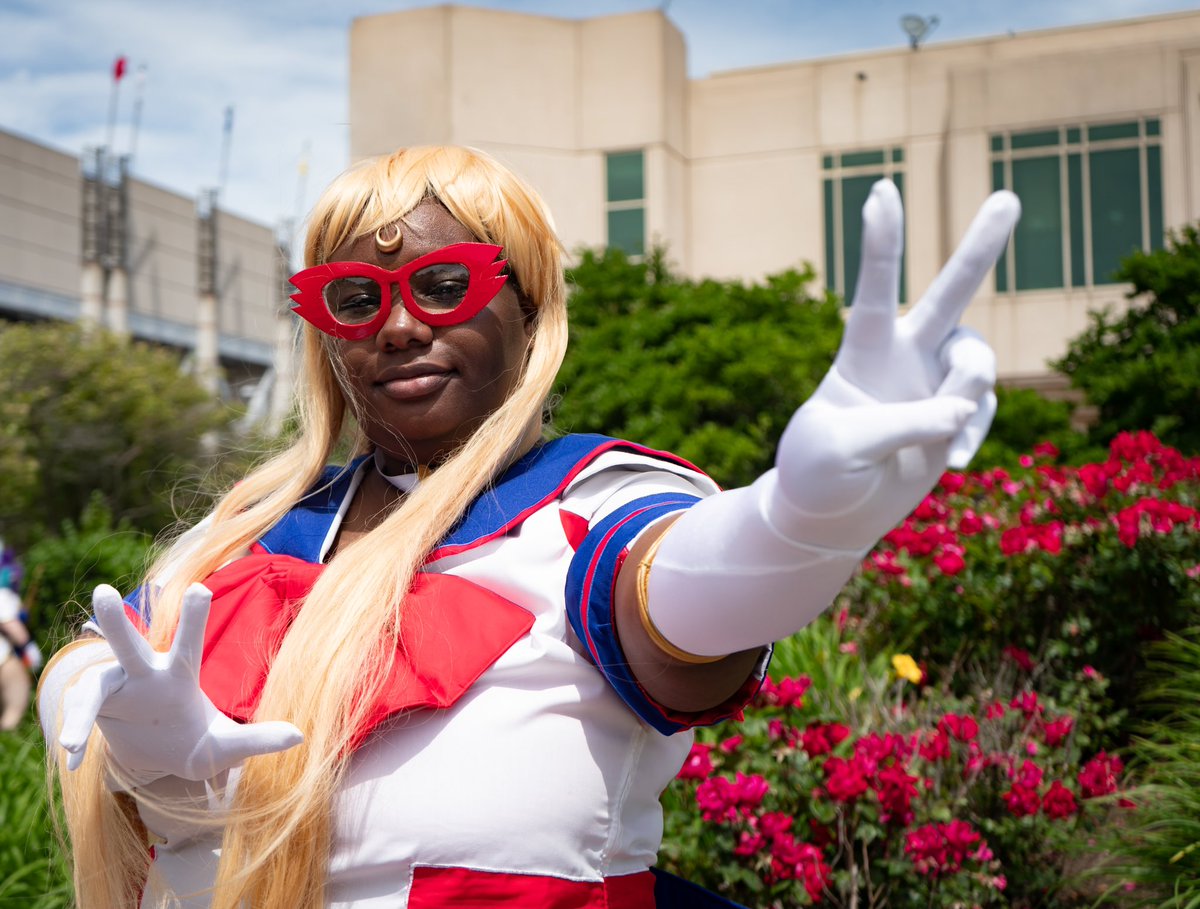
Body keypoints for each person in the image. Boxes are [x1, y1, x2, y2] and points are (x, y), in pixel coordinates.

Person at [37, 145, 1019, 909]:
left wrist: (801, 519)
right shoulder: (249, 538)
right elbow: (89, 657)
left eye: (443, 284)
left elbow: (682, 590)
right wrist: (108, 715)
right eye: (356, 299)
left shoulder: (590, 504)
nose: (398, 326)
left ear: (529, 305)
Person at [0, 543, 40, 730]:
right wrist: (28, 646)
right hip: (3, 659)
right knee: (13, 710)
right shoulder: (3, 595)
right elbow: (10, 625)